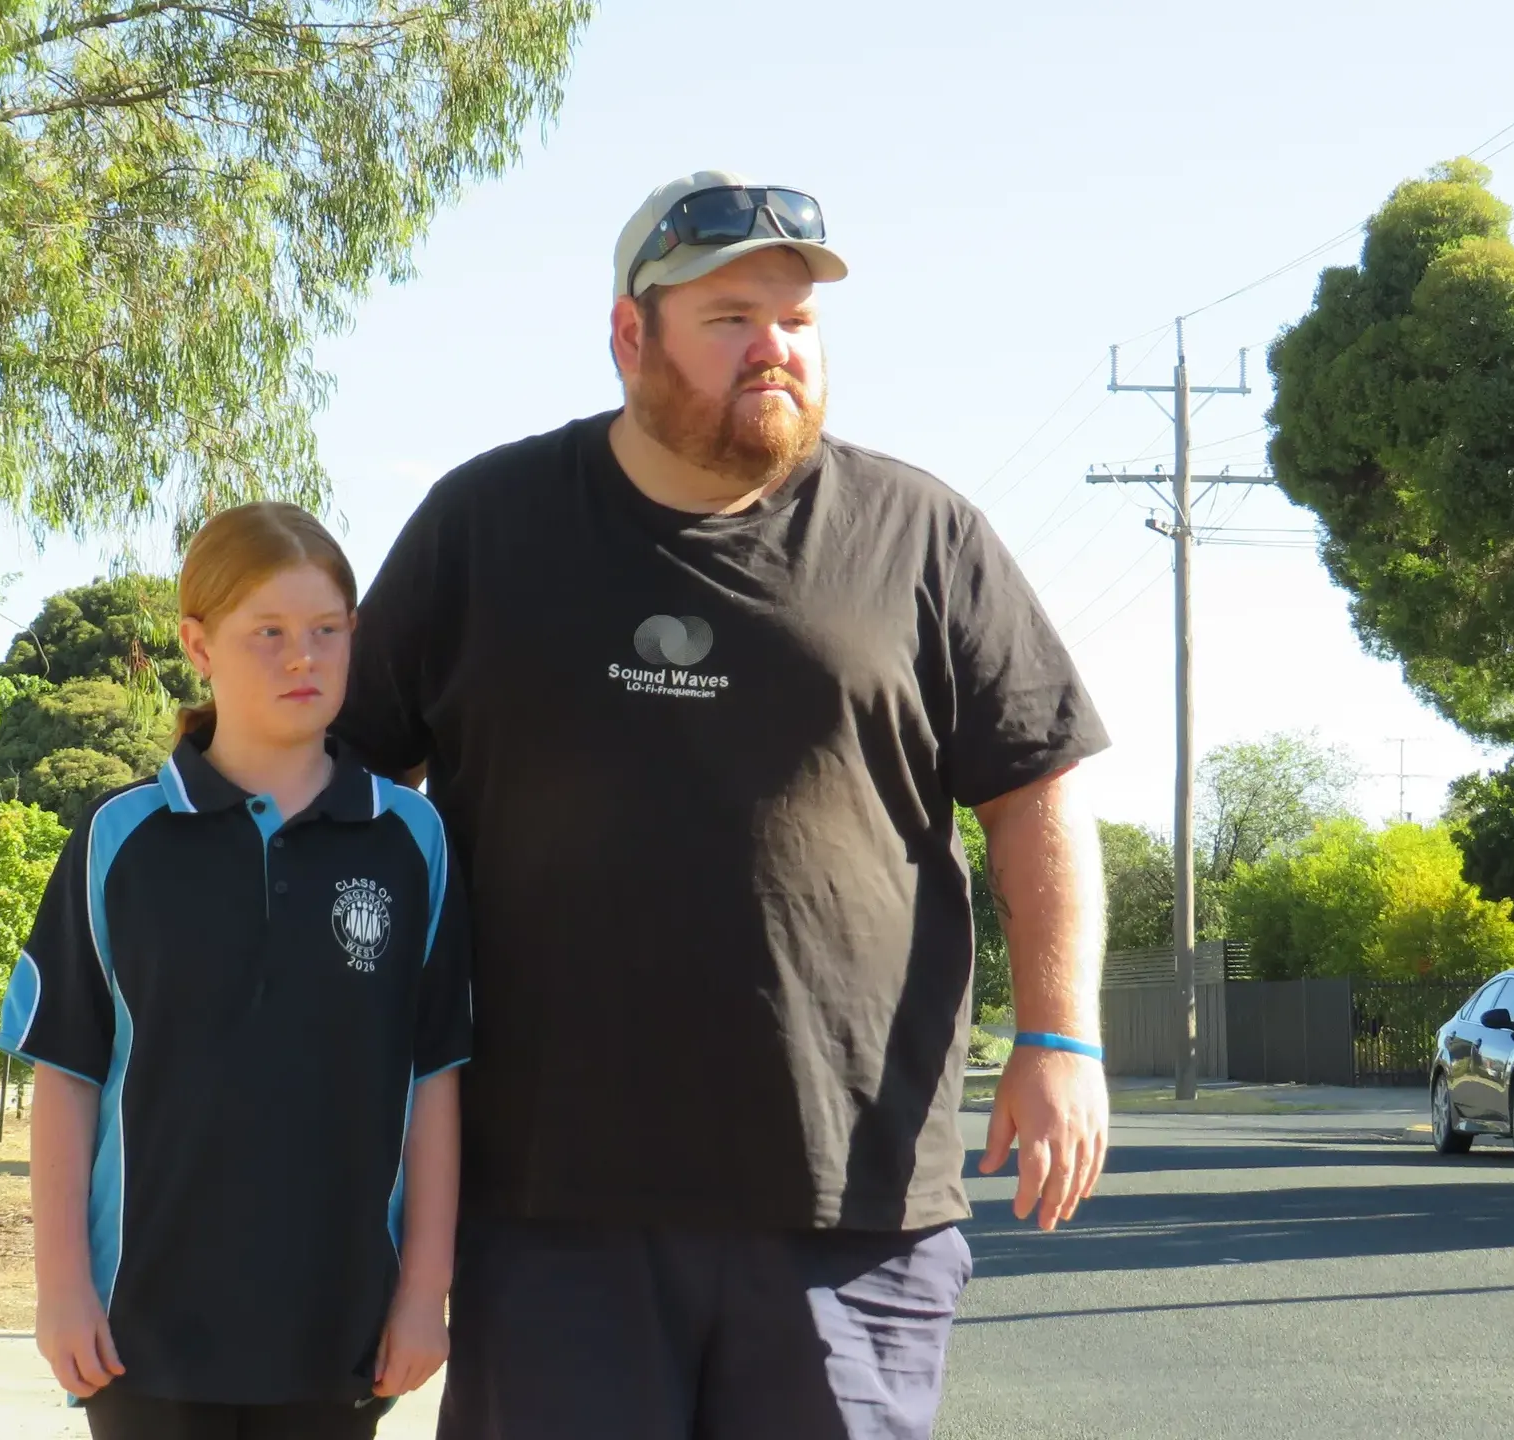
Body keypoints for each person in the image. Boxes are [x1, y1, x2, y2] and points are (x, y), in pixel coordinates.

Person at [338, 171, 1113, 1440]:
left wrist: (1061, 1038)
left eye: (798, 322)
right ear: (628, 335)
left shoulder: (920, 535)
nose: (775, 349)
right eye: (731, 318)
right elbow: (354, 796)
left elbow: (1038, 787)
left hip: (846, 1206)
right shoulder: (486, 526)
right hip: (546, 1205)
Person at [0, 502, 471, 1440]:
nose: (303, 657)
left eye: (326, 631)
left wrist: (423, 1294)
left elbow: (435, 1083)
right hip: (143, 1329)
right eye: (269, 633)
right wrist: (62, 1289)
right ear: (198, 643)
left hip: (337, 1329)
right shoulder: (118, 839)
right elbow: (68, 1078)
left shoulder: (410, 841)